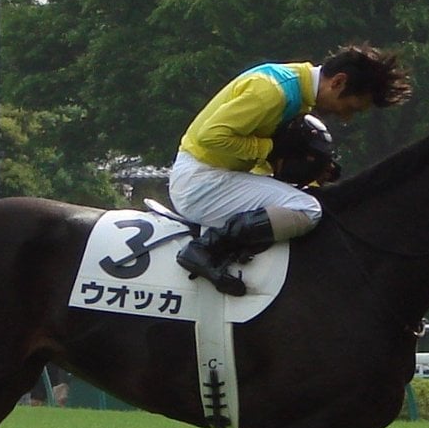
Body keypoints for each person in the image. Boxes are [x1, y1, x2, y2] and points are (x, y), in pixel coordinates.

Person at [170, 45, 409, 294]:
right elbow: (212, 136)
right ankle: (206, 248)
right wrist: (271, 148)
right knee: (307, 210)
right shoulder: (273, 92)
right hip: (199, 182)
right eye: (351, 107)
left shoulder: (296, 87)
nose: (347, 117)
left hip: (216, 174)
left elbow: (259, 152)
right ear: (338, 82)